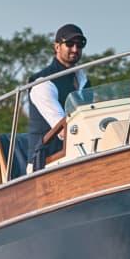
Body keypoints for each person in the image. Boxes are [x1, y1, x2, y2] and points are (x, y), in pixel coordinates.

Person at [27, 23, 89, 170]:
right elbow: (62, 129)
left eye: (80, 45)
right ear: (57, 47)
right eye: (69, 44)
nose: (75, 49)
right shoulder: (43, 82)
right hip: (46, 163)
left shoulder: (83, 79)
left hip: (79, 155)